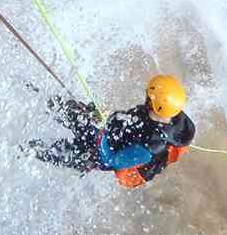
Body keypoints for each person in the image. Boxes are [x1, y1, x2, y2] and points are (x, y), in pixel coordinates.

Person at [23, 74, 196, 188]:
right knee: (61, 106)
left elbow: (112, 161)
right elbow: (127, 121)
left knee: (42, 150)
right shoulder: (166, 112)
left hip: (97, 153)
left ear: (154, 104)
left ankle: (19, 148)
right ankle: (28, 89)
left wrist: (100, 136)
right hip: (104, 132)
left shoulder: (150, 147)